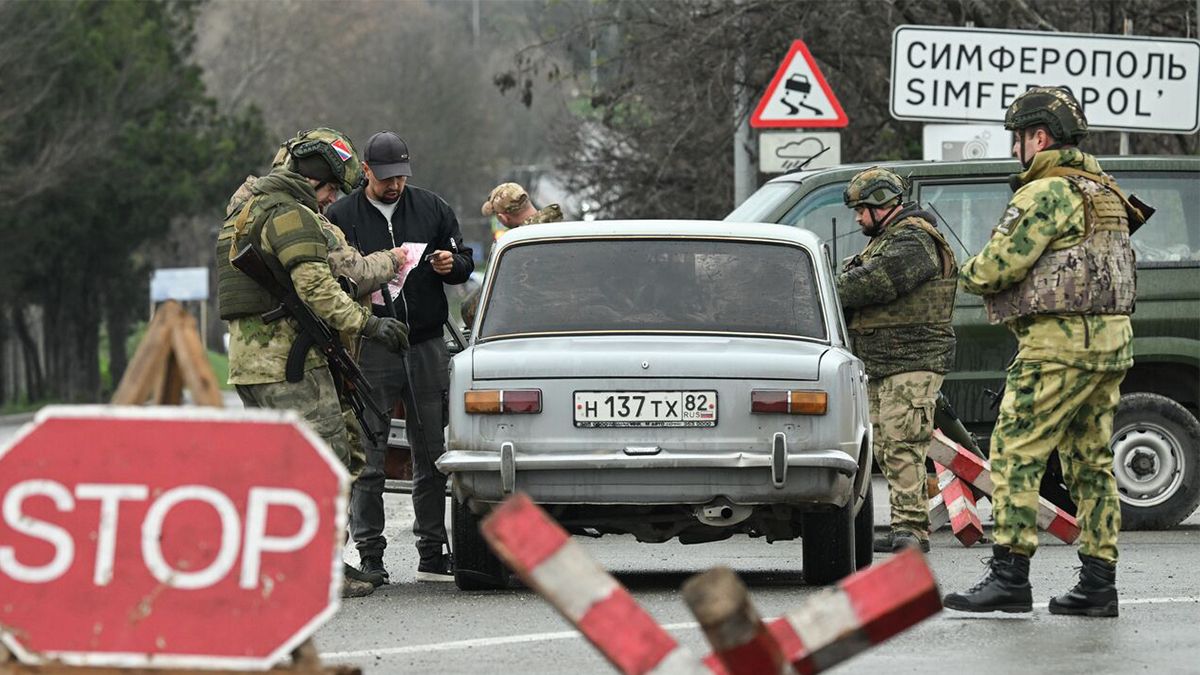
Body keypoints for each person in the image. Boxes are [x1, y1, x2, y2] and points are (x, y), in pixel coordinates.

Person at [944, 87, 1139, 617]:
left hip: (1055, 348)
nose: (1015, 151)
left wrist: (968, 271)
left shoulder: (1046, 192)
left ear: (1039, 137)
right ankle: (1099, 585)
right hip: (1110, 346)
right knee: (1092, 463)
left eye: (1017, 138)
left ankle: (1010, 577)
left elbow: (995, 268)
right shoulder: (1105, 190)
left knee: (1013, 453)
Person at [215, 127, 410, 598]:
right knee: (328, 461)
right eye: (329, 191)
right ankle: (320, 568)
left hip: (250, 365)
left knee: (278, 467)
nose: (328, 202)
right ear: (317, 181)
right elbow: (317, 288)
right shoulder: (291, 216)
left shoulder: (243, 210)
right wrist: (368, 325)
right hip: (289, 366)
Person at [325, 130, 474, 583]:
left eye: (402, 177)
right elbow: (331, 278)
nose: (395, 186)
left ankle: (432, 552)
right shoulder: (340, 215)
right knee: (368, 455)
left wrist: (454, 265)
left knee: (432, 451)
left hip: (425, 341)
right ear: (366, 172)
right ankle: (371, 554)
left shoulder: (431, 207)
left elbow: (464, 256)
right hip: (371, 345)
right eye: (386, 177)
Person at [837, 167, 958, 554]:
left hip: (914, 356)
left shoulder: (913, 241)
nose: (858, 218)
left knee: (902, 440)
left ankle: (911, 531)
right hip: (886, 360)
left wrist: (820, 286)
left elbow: (872, 282)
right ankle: (905, 526)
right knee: (888, 445)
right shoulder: (890, 238)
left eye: (861, 210)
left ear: (881, 205)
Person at [460, 182, 563, 328]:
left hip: (534, 329)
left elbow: (477, 308)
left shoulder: (517, 247)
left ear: (502, 218)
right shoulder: (564, 229)